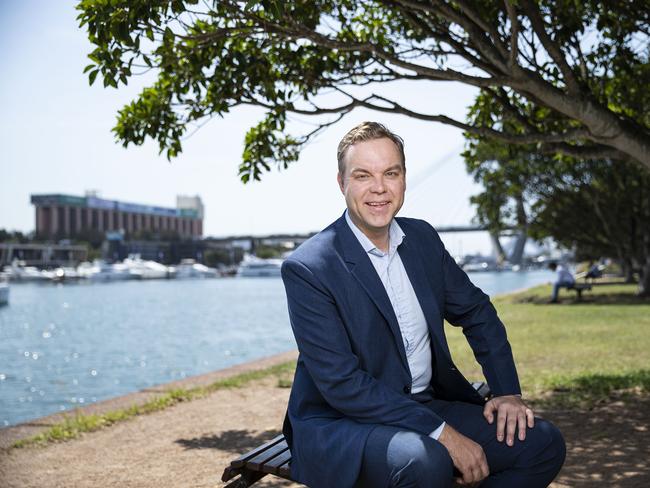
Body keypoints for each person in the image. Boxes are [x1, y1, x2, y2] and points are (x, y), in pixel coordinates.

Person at [280, 122, 565, 488]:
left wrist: (507, 391)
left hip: (422, 405)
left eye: (390, 173)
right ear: (342, 184)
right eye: (363, 175)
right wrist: (441, 432)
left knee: (541, 443)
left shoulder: (423, 239)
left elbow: (477, 312)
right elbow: (342, 384)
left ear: (403, 179)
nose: (379, 188)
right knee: (425, 460)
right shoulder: (309, 267)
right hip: (341, 424)